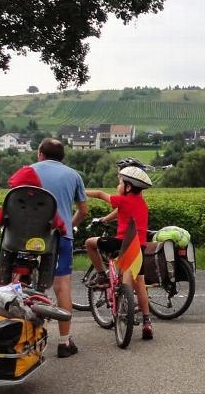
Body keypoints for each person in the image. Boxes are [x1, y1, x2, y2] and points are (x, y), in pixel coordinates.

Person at [9, 138, 89, 358]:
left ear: (40, 154)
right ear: (61, 157)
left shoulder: (27, 172)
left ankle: (15, 335)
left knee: (17, 281)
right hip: (59, 237)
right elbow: (83, 210)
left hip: (24, 237)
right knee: (62, 286)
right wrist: (69, 226)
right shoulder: (73, 175)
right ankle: (64, 342)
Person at [84, 165, 156, 341]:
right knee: (139, 282)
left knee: (89, 243)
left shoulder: (123, 200)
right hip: (138, 247)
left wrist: (81, 191)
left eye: (120, 182)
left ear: (128, 187)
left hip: (121, 243)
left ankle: (101, 275)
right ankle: (147, 322)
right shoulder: (140, 202)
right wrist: (105, 219)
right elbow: (120, 212)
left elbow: (101, 194)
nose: (118, 186)